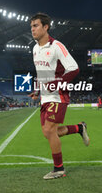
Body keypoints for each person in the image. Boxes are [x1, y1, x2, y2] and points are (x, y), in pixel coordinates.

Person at [28, 13, 90, 180]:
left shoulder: (56, 46)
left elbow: (74, 68)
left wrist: (56, 84)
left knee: (49, 130)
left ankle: (59, 169)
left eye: (36, 25)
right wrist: (38, 90)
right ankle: (79, 128)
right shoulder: (35, 49)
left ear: (46, 27)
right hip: (45, 97)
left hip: (58, 96)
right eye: (31, 26)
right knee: (49, 132)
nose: (32, 29)